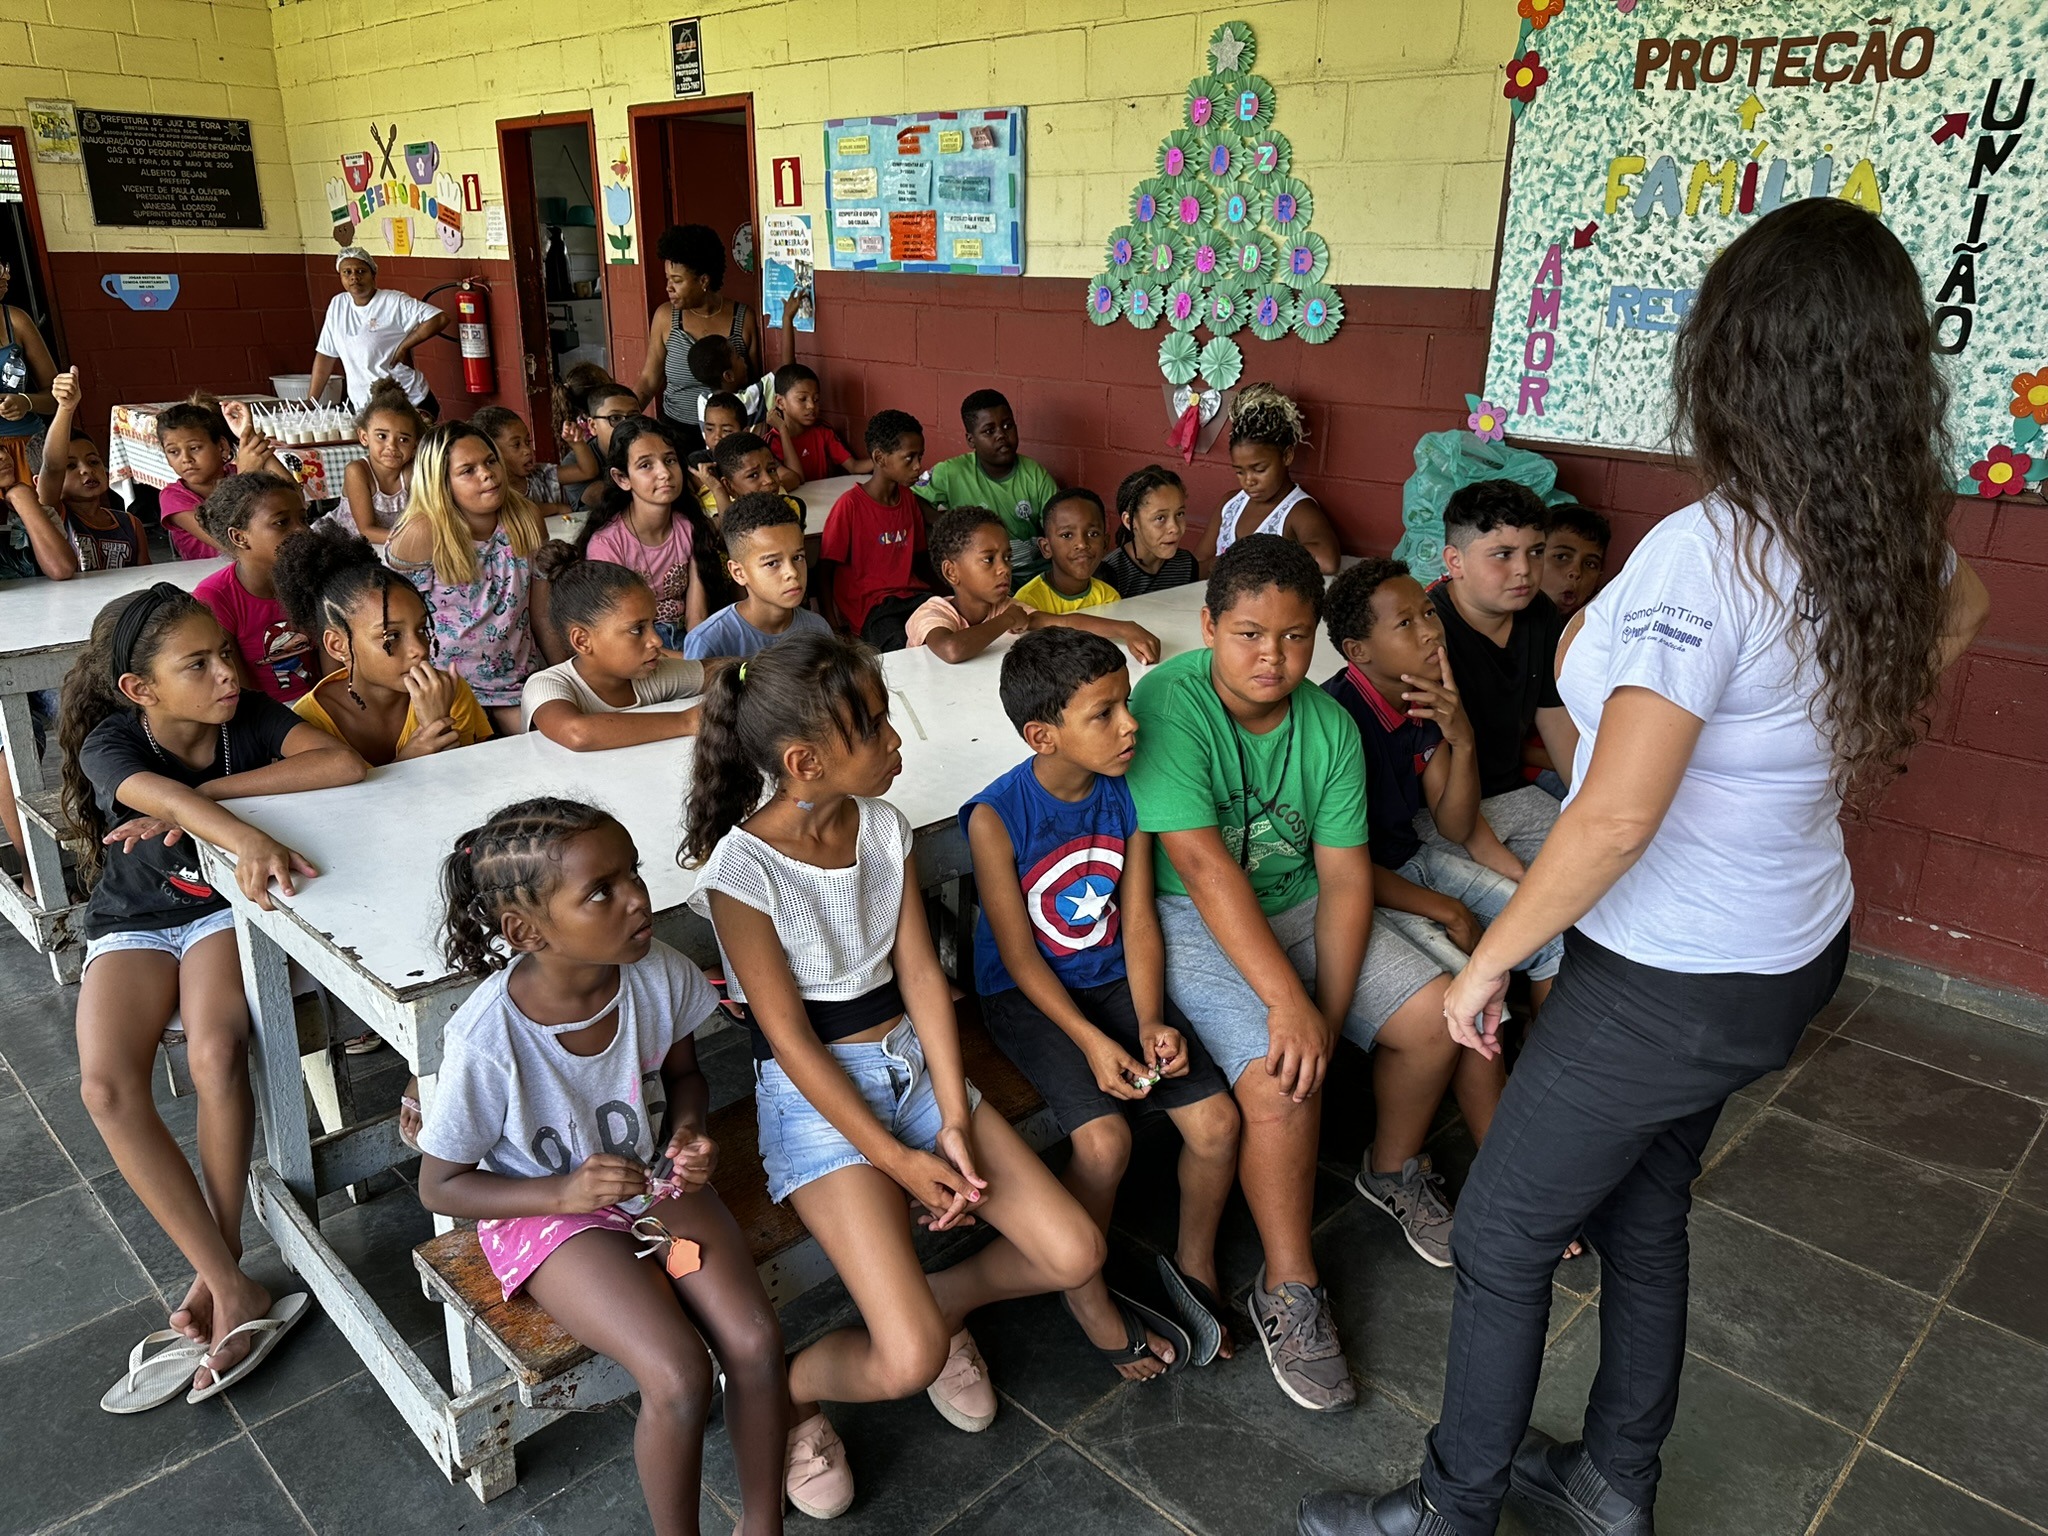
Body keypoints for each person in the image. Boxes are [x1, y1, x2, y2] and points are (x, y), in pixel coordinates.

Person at [1299, 199, 1994, 1536]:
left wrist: (1485, 968)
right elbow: (1961, 606)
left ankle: (1454, 1512)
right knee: (1646, 1204)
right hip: (1785, 951)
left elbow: (1610, 821)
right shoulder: (1881, 527)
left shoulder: (1710, 550)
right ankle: (1616, 1485)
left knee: (1501, 1236)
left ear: (1736, 363)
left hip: (1673, 970)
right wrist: (1839, 730)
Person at [682, 632, 1106, 1519]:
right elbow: (791, 1044)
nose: (895, 741)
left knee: (1075, 1250)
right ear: (805, 762)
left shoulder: (884, 826)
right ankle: (790, 1390)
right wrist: (897, 1158)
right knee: (905, 1363)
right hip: (817, 1103)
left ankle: (927, 1305)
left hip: (912, 1069)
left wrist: (951, 1115)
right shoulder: (742, 873)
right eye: (873, 727)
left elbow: (919, 976)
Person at [1128, 537, 1492, 1410]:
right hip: (1197, 916)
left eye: (1295, 639)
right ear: (1208, 626)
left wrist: (1325, 1008)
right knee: (1284, 1079)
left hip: (1297, 903)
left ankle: (1393, 1165)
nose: (1273, 657)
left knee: (1435, 1011)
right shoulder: (1169, 706)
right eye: (1250, 634)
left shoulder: (1328, 727)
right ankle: (1289, 1286)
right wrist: (1292, 1013)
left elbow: (1341, 877)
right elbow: (1205, 870)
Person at [417, 799, 787, 1536]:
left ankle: (762, 1523)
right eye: (601, 891)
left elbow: (685, 1078)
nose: (637, 899)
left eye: (632, 875)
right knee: (678, 1374)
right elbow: (440, 1184)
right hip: (541, 1215)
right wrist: (563, 1191)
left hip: (651, 1181)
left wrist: (689, 1136)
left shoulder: (657, 973)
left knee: (755, 1342)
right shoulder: (487, 1040)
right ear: (526, 930)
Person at [58, 584, 363, 1411]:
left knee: (219, 1049)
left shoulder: (248, 719)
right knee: (105, 1087)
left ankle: (220, 1274)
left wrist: (218, 808)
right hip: (134, 919)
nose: (227, 672)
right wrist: (246, 831)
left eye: (225, 652)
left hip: (219, 913)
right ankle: (229, 1281)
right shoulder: (112, 743)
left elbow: (341, 763)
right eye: (197, 664)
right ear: (140, 689)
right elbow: (154, 798)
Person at [967, 627, 1241, 1380]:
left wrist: (1151, 1018)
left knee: (1217, 1123)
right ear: (1042, 734)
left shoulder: (1128, 793)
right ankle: (1084, 1294)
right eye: (1106, 713)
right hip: (1030, 998)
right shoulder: (996, 816)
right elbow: (1020, 957)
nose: (1132, 725)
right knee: (1105, 1143)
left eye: (1127, 704)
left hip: (1119, 978)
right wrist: (1091, 1041)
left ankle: (1192, 1264)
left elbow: (1141, 916)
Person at [1322, 559, 1559, 1016]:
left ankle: (1539, 1056)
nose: (1430, 632)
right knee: (1473, 996)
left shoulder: (1426, 697)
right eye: (1405, 624)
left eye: (1428, 613)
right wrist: (1448, 908)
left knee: (1546, 933)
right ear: (1359, 650)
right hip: (1356, 888)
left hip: (1413, 859)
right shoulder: (1336, 720)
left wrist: (1462, 738)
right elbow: (1339, 870)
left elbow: (1453, 823)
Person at [1423, 480, 1574, 874]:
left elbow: (1552, 713)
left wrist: (1591, 801)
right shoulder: (1425, 630)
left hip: (1510, 792)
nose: (1524, 570)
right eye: (1503, 554)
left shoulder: (1538, 612)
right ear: (1454, 562)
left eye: (1536, 552)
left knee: (1604, 865)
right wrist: (1502, 862)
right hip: (1439, 813)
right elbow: (1426, 761)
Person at [384, 421, 557, 737]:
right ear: (442, 483)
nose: (487, 474)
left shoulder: (526, 518)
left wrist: (565, 676)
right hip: (448, 689)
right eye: (468, 470)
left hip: (521, 681)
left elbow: (540, 612)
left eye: (490, 461)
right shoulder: (423, 533)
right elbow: (397, 627)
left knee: (551, 749)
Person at [276, 524, 491, 763]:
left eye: (421, 629)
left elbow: (468, 785)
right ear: (338, 645)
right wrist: (408, 762)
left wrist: (436, 721)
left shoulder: (446, 692)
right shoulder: (307, 723)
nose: (419, 649)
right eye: (391, 637)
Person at [906, 506, 1160, 664]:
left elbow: (1065, 621)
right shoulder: (933, 613)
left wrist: (1126, 629)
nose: (1004, 568)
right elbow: (951, 649)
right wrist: (1007, 621)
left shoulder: (1006, 607)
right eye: (988, 560)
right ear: (952, 572)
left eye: (1007, 557)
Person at [519, 547, 716, 750]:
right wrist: (688, 721)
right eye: (637, 630)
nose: (656, 640)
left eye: (653, 624)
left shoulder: (652, 675)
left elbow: (718, 670)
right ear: (582, 641)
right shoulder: (547, 685)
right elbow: (578, 733)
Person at [574, 418, 730, 651]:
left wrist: (697, 660)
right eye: (646, 465)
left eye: (670, 460)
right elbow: (618, 635)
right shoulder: (607, 545)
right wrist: (693, 666)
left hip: (686, 643)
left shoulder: (690, 527)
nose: (665, 473)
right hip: (636, 650)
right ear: (622, 479)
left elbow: (696, 618)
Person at [634, 223, 761, 452]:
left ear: (703, 281)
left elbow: (756, 384)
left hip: (728, 440)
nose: (668, 287)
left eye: (677, 280)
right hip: (675, 436)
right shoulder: (666, 317)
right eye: (667, 278)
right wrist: (624, 417)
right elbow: (649, 380)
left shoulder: (743, 318)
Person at [817, 410, 934, 651]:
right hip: (872, 608)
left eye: (920, 457)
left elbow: (920, 559)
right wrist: (831, 622)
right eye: (909, 458)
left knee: (943, 630)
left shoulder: (908, 500)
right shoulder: (850, 505)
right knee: (900, 648)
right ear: (880, 458)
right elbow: (825, 570)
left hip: (912, 597)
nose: (918, 466)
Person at [1193, 385, 1340, 575]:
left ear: (1286, 456)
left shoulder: (1298, 510)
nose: (1249, 481)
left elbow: (1327, 561)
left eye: (1259, 469)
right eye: (1240, 472)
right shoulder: (1230, 504)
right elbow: (1198, 564)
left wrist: (1248, 558)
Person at [193, 476, 315, 704]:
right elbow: (235, 685)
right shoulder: (215, 597)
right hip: (262, 715)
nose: (302, 530)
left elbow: (334, 671)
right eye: (282, 522)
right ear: (240, 537)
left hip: (322, 703)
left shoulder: (313, 579)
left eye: (303, 519)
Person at [925, 389, 1060, 584]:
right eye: (989, 431)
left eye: (1008, 426)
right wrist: (945, 524)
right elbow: (912, 500)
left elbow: (1058, 528)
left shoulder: (1035, 474)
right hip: (981, 578)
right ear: (971, 439)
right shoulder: (951, 472)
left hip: (1033, 575)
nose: (1001, 435)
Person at [681, 491, 831, 661]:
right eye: (772, 563)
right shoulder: (709, 642)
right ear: (738, 573)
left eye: (797, 558)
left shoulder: (818, 629)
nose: (792, 573)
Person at [308, 247, 448, 414]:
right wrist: (312, 400)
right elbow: (326, 355)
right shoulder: (338, 304)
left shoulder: (392, 301)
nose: (354, 277)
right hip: (365, 405)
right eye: (347, 272)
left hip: (407, 401)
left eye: (361, 271)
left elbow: (439, 318)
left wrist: (404, 346)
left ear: (373, 274)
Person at [33, 376, 144, 571]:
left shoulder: (130, 524)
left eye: (94, 461)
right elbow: (52, 466)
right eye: (70, 466)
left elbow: (147, 576)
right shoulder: (54, 516)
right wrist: (66, 409)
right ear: (38, 482)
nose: (86, 470)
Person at [331, 381, 422, 545]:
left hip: (391, 546)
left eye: (403, 439)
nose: (392, 446)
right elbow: (366, 531)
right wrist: (412, 541)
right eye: (382, 436)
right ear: (364, 437)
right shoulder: (358, 471)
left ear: (414, 446)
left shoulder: (412, 472)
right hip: (349, 546)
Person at [0, 255, 60, 485]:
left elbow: (56, 398)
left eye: (5, 267)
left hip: (27, 447)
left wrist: (25, 401)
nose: (6, 275)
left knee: (44, 517)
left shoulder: (16, 320)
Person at [1014, 489, 1121, 614]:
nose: (1081, 544)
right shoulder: (1028, 602)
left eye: (1093, 533)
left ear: (1105, 544)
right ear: (1046, 548)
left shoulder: (1108, 598)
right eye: (1067, 535)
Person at [1100, 464, 1199, 598]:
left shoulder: (1186, 565)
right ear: (1129, 521)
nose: (1174, 528)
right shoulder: (1109, 573)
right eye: (1160, 518)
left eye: (1180, 514)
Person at [765, 362, 868, 487]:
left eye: (816, 399)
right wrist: (783, 430)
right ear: (780, 402)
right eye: (802, 399)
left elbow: (853, 466)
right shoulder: (771, 442)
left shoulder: (822, 430)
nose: (811, 406)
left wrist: (883, 459)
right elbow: (797, 479)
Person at [473, 405, 571, 512]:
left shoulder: (539, 474)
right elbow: (519, 512)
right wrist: (556, 508)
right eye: (516, 445)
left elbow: (587, 472)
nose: (528, 450)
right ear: (493, 452)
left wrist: (577, 443)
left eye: (528, 442)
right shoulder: (493, 491)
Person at [1538, 504, 1610, 621]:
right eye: (1561, 557)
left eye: (1590, 564)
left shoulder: (1592, 633)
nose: (1576, 572)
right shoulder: (1504, 625)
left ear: (1598, 580)